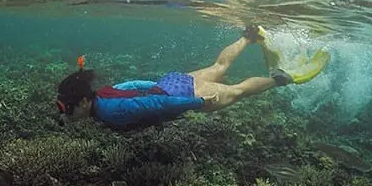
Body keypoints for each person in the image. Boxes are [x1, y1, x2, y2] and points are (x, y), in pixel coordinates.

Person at [55, 25, 328, 128]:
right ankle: (250, 36)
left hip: (181, 95)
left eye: (67, 109)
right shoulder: (103, 92)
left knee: (237, 91)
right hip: (170, 83)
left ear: (81, 102)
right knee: (219, 67)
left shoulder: (109, 111)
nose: (66, 115)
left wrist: (198, 103)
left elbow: (156, 105)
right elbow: (136, 86)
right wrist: (160, 86)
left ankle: (283, 77)